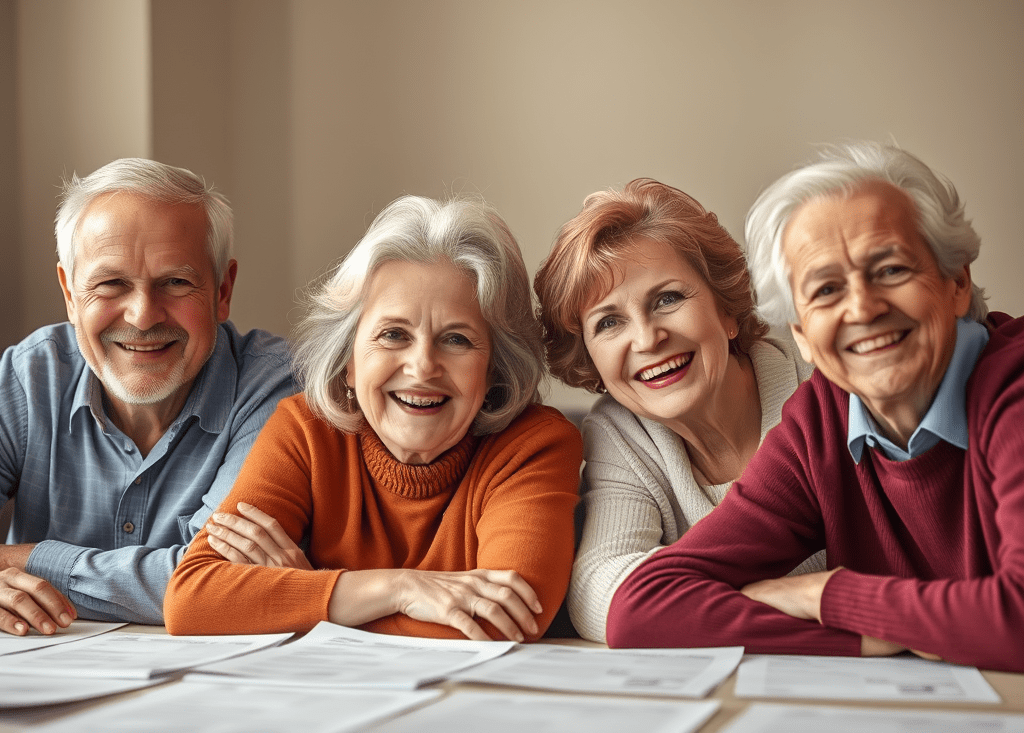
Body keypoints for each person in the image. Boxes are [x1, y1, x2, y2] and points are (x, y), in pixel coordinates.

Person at [606, 142, 1024, 673]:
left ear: (957, 282)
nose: (863, 308)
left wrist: (828, 597)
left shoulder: (1013, 388)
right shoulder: (821, 422)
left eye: (891, 269)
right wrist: (854, 640)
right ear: (802, 335)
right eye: (826, 289)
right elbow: (641, 609)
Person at [164, 196, 582, 641]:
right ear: (348, 358)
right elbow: (191, 599)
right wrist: (397, 589)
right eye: (394, 335)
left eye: (456, 339)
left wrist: (311, 593)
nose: (422, 367)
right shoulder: (305, 429)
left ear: (495, 365)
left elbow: (503, 620)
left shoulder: (536, 443)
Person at [0, 158, 294, 635]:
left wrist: (25, 560)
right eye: (111, 284)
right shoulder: (29, 376)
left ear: (222, 290)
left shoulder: (276, 389)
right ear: (71, 294)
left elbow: (218, 581)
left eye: (175, 283)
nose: (141, 316)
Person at [533, 178, 824, 643]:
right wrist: (787, 600)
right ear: (590, 358)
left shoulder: (819, 391)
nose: (647, 339)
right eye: (609, 322)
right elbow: (599, 594)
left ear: (727, 311)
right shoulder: (621, 431)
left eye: (667, 299)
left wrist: (679, 603)